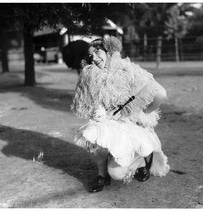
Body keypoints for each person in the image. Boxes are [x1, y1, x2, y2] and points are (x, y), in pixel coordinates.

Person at [71, 36, 170, 193]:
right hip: (107, 124)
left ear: (109, 50)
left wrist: (141, 114)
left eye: (97, 52)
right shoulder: (91, 76)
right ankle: (102, 175)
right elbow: (88, 106)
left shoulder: (128, 69)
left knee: (117, 173)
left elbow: (161, 94)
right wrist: (100, 115)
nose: (94, 59)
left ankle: (141, 161)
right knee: (94, 136)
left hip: (129, 125)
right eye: (91, 56)